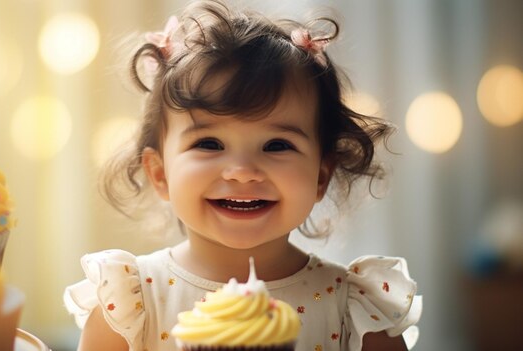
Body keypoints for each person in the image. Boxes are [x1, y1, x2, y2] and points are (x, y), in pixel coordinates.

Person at [64, 1, 422, 350]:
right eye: (209, 143)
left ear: (320, 176)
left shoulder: (352, 308)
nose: (242, 172)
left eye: (277, 145)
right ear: (160, 175)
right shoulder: (131, 303)